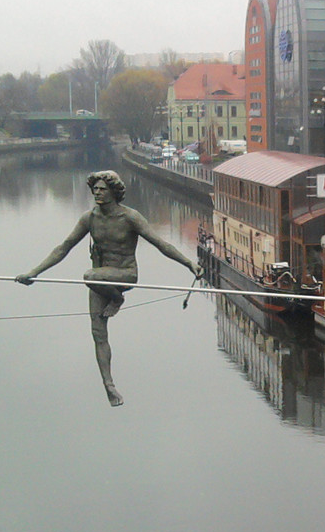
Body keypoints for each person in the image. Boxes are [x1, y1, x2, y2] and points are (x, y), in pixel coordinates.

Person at [15, 170, 201, 406]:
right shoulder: (89, 218)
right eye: (95, 189)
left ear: (114, 192)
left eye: (102, 189)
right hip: (99, 279)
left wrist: (189, 264)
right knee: (98, 333)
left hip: (123, 275)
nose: (97, 193)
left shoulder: (130, 217)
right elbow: (64, 247)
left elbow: (161, 244)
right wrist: (35, 272)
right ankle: (110, 387)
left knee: (89, 275)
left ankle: (117, 300)